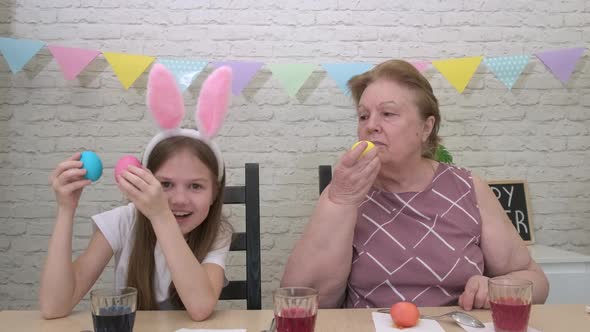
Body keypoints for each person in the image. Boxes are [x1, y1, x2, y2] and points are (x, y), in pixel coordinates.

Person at [281, 59, 549, 310]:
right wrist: (340, 202)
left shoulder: (468, 188)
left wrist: (495, 288)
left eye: (387, 113)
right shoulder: (346, 191)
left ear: (426, 127)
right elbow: (302, 299)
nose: (371, 125)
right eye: (363, 116)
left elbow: (535, 281)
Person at [39, 64, 233, 321]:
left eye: (196, 186)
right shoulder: (123, 221)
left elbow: (200, 308)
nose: (179, 199)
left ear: (215, 192)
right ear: (144, 180)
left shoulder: (216, 232)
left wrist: (161, 215)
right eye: (165, 184)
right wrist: (66, 209)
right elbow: (54, 307)